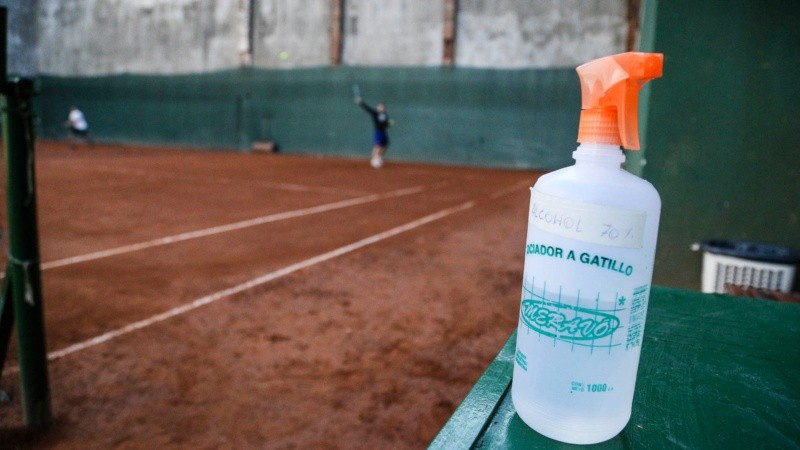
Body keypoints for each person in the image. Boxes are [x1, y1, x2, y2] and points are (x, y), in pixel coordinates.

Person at [355, 97, 393, 168]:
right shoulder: (375, 113)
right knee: (378, 146)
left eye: (382, 107)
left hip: (384, 132)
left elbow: (386, 124)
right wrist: (361, 103)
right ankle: (374, 159)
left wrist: (389, 123)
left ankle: (379, 157)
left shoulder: (385, 115)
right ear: (377, 107)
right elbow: (367, 109)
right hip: (378, 132)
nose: (381, 108)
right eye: (380, 106)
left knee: (385, 145)